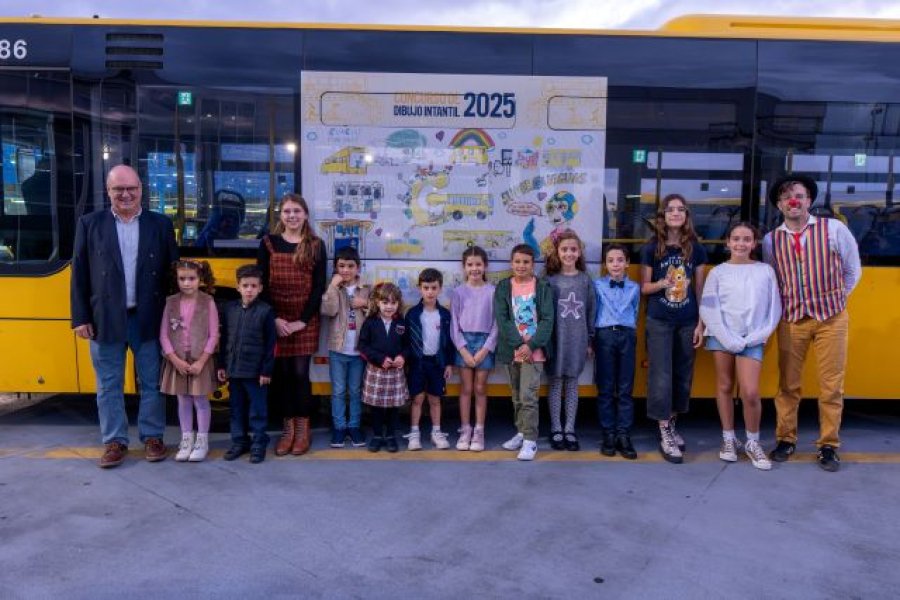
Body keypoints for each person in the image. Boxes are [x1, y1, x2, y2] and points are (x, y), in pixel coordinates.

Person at [70, 164, 178, 468]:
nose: (126, 194)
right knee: (108, 385)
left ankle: (153, 437)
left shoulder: (161, 224)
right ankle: (115, 441)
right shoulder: (90, 224)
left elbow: (173, 274)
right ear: (108, 191)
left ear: (141, 190)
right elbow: (79, 275)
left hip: (149, 317)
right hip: (104, 319)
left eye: (131, 188)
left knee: (152, 382)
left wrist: (174, 317)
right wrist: (80, 317)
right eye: (119, 189)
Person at [761, 175, 861, 472]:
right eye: (786, 197)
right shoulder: (771, 239)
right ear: (779, 204)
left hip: (831, 319)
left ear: (809, 201)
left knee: (832, 386)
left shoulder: (834, 229)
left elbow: (852, 270)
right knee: (788, 385)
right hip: (792, 320)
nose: (793, 201)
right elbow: (773, 278)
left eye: (799, 196)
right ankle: (785, 439)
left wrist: (835, 299)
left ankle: (828, 445)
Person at [700, 223, 781, 471]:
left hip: (752, 339)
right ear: (727, 242)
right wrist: (726, 337)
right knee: (725, 385)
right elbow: (708, 308)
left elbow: (774, 309)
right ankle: (729, 438)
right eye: (735, 239)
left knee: (750, 392)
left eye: (746, 239)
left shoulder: (765, 271)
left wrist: (758, 335)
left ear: (754, 243)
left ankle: (752, 442)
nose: (740, 244)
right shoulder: (718, 272)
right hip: (721, 336)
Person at [641, 193, 707, 464]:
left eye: (681, 209)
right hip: (659, 320)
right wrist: (662, 284)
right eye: (671, 209)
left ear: (686, 215)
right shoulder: (651, 248)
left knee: (682, 375)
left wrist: (701, 323)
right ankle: (664, 430)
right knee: (661, 376)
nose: (676, 213)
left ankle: (672, 423)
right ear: (663, 216)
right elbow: (644, 288)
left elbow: (700, 289)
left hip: (688, 321)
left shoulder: (696, 249)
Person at [258, 193, 327, 456]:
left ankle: (302, 430)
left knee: (300, 374)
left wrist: (302, 321)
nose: (292, 216)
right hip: (276, 318)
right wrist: (274, 319)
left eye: (297, 211)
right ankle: (287, 431)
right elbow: (261, 284)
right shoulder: (268, 243)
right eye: (287, 211)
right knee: (283, 376)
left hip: (304, 320)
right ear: (281, 215)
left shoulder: (316, 245)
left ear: (305, 214)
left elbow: (318, 287)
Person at [494, 244, 554, 461]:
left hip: (534, 352)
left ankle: (530, 440)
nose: (521, 266)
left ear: (533, 264)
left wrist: (531, 345)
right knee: (517, 396)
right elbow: (502, 318)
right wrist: (520, 345)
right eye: (517, 261)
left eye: (526, 262)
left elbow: (547, 319)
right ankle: (521, 432)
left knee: (528, 396)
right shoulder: (503, 287)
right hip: (513, 349)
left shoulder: (543, 287)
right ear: (511, 263)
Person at [159, 259, 220, 462]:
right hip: (177, 360)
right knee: (183, 399)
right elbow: (163, 335)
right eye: (182, 279)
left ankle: (202, 441)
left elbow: (214, 335)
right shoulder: (170, 302)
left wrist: (202, 361)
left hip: (200, 360)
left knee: (200, 400)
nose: (186, 283)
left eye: (191, 278)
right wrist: (174, 359)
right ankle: (186, 440)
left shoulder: (208, 302)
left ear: (200, 279)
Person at [217, 265, 277, 464]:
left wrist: (266, 370)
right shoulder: (229, 309)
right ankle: (239, 441)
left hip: (256, 372)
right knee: (236, 409)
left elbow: (271, 344)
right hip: (234, 371)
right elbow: (224, 338)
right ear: (238, 287)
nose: (249, 289)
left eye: (253, 286)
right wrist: (222, 365)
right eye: (245, 286)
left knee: (257, 410)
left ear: (260, 288)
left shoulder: (265, 311)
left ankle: (259, 443)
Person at [544, 230, 596, 451]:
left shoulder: (585, 280)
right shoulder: (549, 280)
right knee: (555, 382)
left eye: (573, 249)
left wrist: (590, 339)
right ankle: (556, 428)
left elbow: (591, 310)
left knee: (572, 383)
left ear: (579, 252)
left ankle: (569, 428)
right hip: (556, 339)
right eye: (564, 249)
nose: (569, 253)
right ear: (557, 251)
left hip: (577, 339)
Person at [594, 243, 640, 460]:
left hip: (627, 335)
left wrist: (628, 330)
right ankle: (608, 433)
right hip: (605, 335)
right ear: (605, 264)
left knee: (625, 387)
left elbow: (635, 310)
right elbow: (595, 310)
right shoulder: (597, 285)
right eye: (611, 260)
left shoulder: (634, 288)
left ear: (627, 263)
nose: (615, 264)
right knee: (605, 387)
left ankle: (623, 434)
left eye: (620, 260)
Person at [320, 246, 370, 448]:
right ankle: (339, 427)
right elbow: (328, 310)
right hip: (338, 349)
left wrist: (365, 304)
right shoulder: (334, 288)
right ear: (335, 267)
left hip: (358, 351)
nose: (346, 270)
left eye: (350, 266)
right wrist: (333, 287)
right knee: (338, 391)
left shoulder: (366, 288)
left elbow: (377, 313)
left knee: (356, 391)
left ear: (358, 267)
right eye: (341, 266)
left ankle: (354, 426)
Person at [451, 246, 498, 452]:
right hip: (464, 341)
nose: (474, 268)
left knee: (480, 388)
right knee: (466, 388)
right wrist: (462, 349)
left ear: (485, 266)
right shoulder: (458, 292)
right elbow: (454, 324)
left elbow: (497, 323)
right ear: (464, 267)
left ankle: (479, 430)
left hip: (484, 342)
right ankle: (465, 429)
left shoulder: (493, 291)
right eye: (470, 265)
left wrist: (485, 349)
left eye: (478, 264)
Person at [405, 268, 455, 451]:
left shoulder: (445, 315)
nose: (430, 292)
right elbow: (406, 340)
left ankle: (436, 432)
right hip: (417, 363)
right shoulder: (412, 314)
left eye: (434, 288)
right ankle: (414, 433)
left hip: (437, 362)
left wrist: (448, 363)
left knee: (435, 399)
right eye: (426, 288)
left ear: (440, 288)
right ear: (420, 288)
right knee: (417, 398)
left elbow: (449, 341)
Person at [358, 282, 409, 453]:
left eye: (393, 302)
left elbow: (407, 346)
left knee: (393, 407)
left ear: (398, 304)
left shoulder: (401, 322)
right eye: (385, 302)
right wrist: (380, 358)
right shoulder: (370, 322)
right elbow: (363, 346)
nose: (389, 306)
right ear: (377, 302)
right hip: (376, 371)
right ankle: (378, 435)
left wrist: (402, 356)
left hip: (395, 372)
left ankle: (391, 436)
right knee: (377, 406)